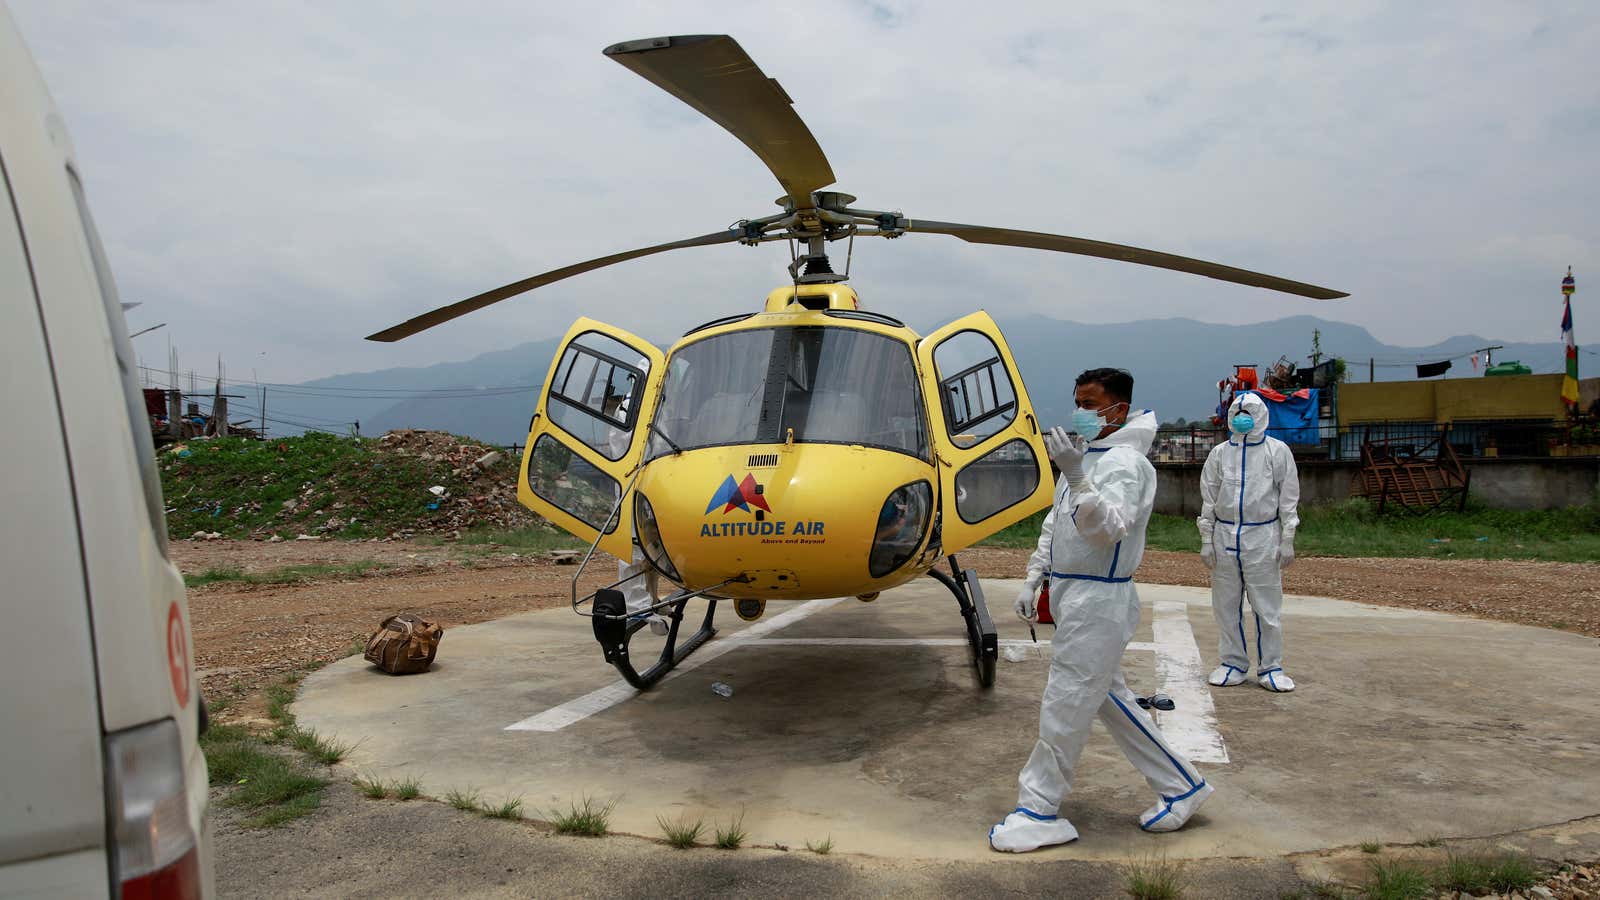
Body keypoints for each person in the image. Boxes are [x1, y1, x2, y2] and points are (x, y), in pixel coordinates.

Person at [991, 368, 1212, 853]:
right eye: (1077, 402)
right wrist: (1035, 575)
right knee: (1109, 700)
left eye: (1090, 404)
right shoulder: (1089, 457)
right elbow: (1056, 524)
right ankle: (1182, 786)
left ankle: (1038, 808)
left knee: (1065, 704)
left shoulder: (1127, 466)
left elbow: (1108, 529)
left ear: (1119, 409)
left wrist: (1074, 474)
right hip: (1075, 594)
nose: (1081, 413)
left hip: (1101, 598)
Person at [1196, 392, 1300, 692]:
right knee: (1225, 604)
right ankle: (1232, 662)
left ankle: (1271, 666)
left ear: (1261, 416)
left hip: (1262, 535)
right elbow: (1209, 497)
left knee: (1266, 606)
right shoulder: (1219, 454)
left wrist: (1288, 537)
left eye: (1248, 411)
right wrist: (1206, 537)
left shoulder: (1277, 451)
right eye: (1237, 411)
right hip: (1225, 534)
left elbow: (1288, 497)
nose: (1242, 417)